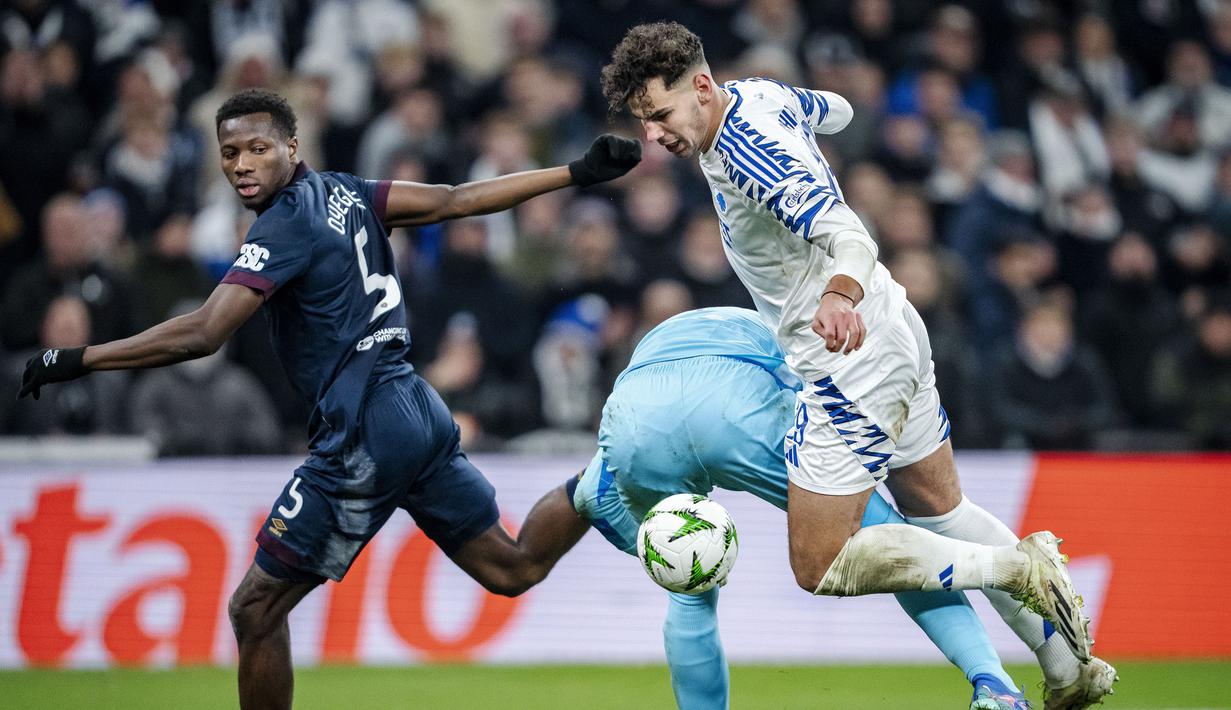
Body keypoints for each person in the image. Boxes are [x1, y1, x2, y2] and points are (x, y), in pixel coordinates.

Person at [17, 88, 641, 710]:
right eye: (229, 152)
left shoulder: (284, 223)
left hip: (366, 426)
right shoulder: (350, 192)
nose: (242, 165)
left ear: (291, 147)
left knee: (255, 608)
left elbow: (205, 332)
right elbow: (457, 201)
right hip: (417, 406)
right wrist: (576, 173)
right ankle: (600, 482)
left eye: (258, 148)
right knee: (513, 568)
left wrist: (80, 358)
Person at [599, 21, 1094, 662]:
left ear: (700, 86)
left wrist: (837, 295)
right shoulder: (756, 95)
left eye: (661, 114)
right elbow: (837, 109)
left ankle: (1013, 568)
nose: (654, 135)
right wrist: (806, 126)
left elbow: (851, 236)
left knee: (819, 562)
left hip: (849, 356)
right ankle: (1069, 667)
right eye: (643, 121)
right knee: (940, 509)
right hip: (895, 328)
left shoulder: (750, 152)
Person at [572, 307, 1118, 710]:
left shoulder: (626, 412)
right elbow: (813, 384)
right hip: (739, 400)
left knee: (689, 592)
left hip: (634, 423)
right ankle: (993, 683)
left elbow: (587, 495)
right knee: (883, 540)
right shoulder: (765, 318)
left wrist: (639, 539)